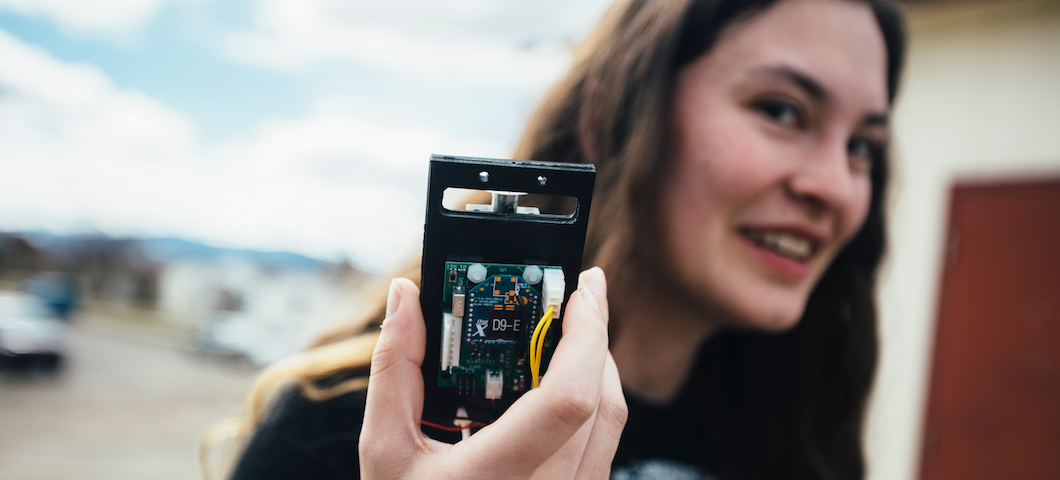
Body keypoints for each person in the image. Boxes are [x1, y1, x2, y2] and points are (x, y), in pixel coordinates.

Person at [203, 0, 906, 478]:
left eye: (863, 147)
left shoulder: (800, 443)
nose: (837, 187)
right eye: (781, 109)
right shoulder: (352, 436)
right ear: (613, 118)